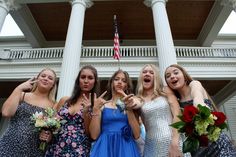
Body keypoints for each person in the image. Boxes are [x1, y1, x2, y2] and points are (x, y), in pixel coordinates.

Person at [165, 64, 236, 157]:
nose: (172, 76)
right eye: (168, 76)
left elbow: (197, 96)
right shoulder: (176, 104)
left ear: (184, 76)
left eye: (175, 72)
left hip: (217, 144)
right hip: (197, 150)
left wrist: (200, 106)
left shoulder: (194, 84)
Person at [0, 68, 57, 157]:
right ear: (37, 79)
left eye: (50, 78)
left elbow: (54, 132)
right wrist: (19, 88)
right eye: (43, 76)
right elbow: (6, 112)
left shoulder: (54, 105)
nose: (46, 79)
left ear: (53, 85)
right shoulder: (22, 95)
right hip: (9, 143)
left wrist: (49, 136)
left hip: (34, 150)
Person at [44, 65, 99, 157]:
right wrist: (48, 133)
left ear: (95, 82)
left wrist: (86, 112)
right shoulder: (64, 100)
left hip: (79, 149)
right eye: (83, 77)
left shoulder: (95, 106)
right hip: (56, 147)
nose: (86, 81)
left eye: (90, 78)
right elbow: (51, 123)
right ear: (78, 80)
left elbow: (92, 136)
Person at [134, 64, 186, 157]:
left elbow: (177, 115)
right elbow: (136, 131)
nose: (147, 74)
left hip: (173, 143)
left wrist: (175, 143)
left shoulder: (165, 91)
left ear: (156, 77)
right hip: (151, 148)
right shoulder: (138, 99)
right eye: (144, 72)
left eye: (151, 72)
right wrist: (129, 106)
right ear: (141, 77)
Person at [89, 69, 141, 157]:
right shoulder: (102, 106)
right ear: (111, 83)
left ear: (126, 86)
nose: (120, 82)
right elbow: (94, 136)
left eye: (123, 81)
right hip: (105, 147)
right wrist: (95, 109)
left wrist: (128, 109)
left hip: (126, 147)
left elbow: (136, 135)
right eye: (116, 79)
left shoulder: (132, 105)